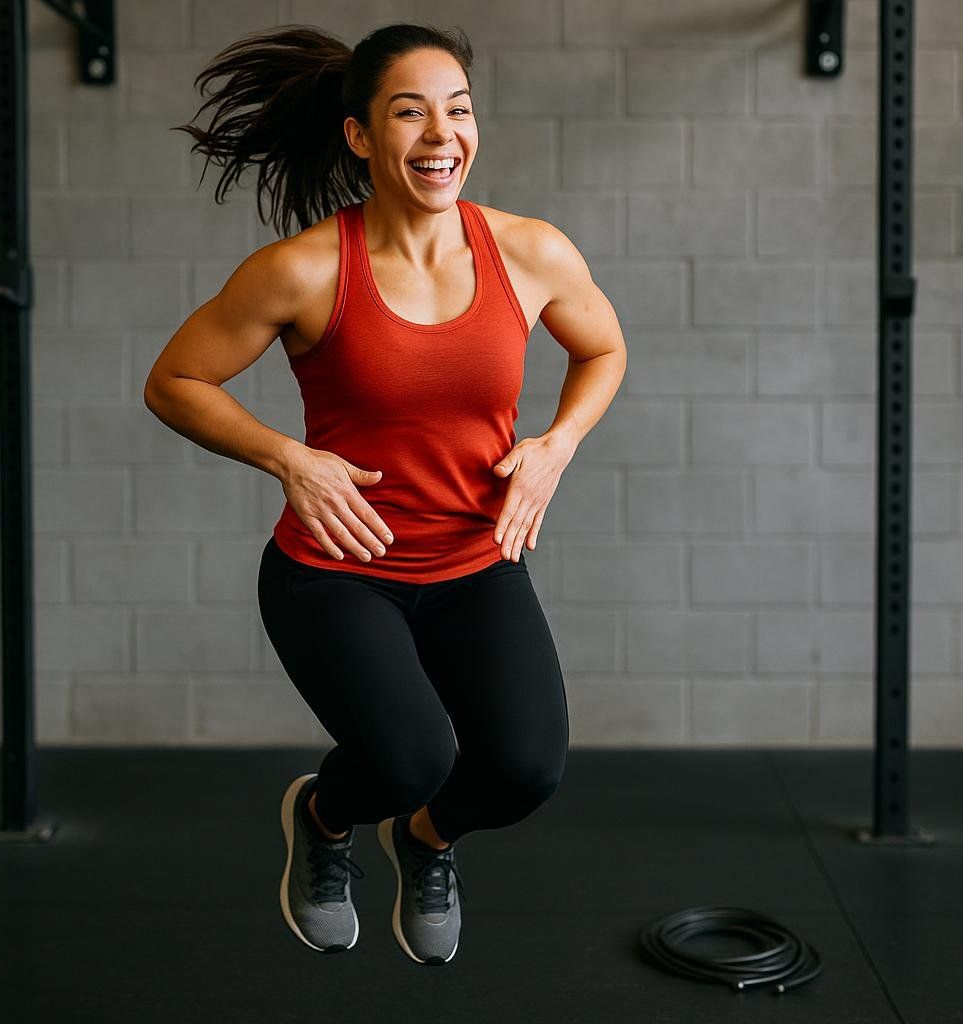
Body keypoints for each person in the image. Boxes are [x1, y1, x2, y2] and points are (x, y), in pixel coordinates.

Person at [143, 22, 626, 965]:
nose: (442, 134)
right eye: (411, 113)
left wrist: (558, 443)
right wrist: (288, 458)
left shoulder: (530, 253)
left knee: (525, 770)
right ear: (361, 136)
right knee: (411, 759)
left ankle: (425, 842)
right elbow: (175, 382)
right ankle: (323, 819)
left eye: (459, 110)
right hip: (337, 571)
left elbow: (603, 349)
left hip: (474, 565)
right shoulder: (305, 269)